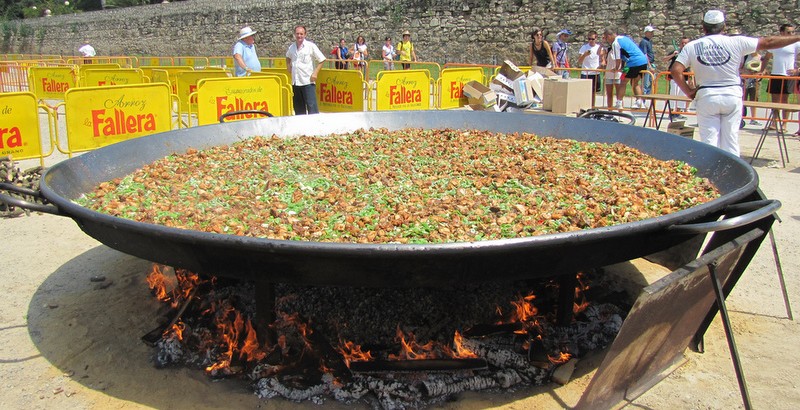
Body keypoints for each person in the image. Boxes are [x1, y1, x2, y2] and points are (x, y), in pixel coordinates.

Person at [671, 10, 800, 156]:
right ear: (724, 26)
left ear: (704, 27)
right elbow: (768, 42)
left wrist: (688, 91)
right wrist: (797, 37)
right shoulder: (736, 41)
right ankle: (734, 175)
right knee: (731, 140)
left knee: (708, 141)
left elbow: (676, 70)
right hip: (731, 93)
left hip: (707, 94)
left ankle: (709, 174)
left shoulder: (692, 46)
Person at [760, 24, 800, 133]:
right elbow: (766, 58)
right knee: (774, 100)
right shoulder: (776, 44)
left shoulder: (796, 44)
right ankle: (774, 122)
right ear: (781, 33)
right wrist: (762, 70)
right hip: (775, 74)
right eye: (788, 32)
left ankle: (784, 124)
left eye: (792, 32)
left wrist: (797, 70)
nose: (791, 34)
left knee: (784, 100)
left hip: (788, 75)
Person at [603, 28, 649, 109]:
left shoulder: (615, 43)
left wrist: (616, 68)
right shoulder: (624, 38)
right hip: (643, 62)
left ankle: (619, 102)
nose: (607, 40)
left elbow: (618, 59)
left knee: (623, 81)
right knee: (635, 82)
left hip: (633, 63)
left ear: (609, 36)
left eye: (606, 38)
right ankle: (639, 101)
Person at [286, 25, 326, 115]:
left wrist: (315, 73)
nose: (299, 36)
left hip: (308, 82)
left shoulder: (310, 46)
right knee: (299, 109)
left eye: (301, 34)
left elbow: (322, 59)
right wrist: (288, 66)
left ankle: (315, 127)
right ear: (294, 35)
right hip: (296, 82)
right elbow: (287, 57)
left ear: (305, 34)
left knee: (312, 108)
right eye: (297, 34)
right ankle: (301, 128)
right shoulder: (292, 47)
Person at [664, 36, 691, 120]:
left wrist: (691, 78)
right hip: (674, 77)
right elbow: (664, 59)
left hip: (685, 77)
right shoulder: (676, 52)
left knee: (682, 96)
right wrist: (673, 55)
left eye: (685, 43)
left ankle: (678, 112)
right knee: (673, 94)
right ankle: (671, 113)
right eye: (682, 43)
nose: (684, 44)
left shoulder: (690, 53)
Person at [741, 51, 763, 125]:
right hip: (745, 80)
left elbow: (763, 70)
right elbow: (740, 68)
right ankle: (741, 117)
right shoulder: (745, 56)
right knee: (743, 99)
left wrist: (760, 74)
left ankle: (753, 118)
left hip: (755, 81)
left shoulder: (760, 57)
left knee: (754, 99)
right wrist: (746, 72)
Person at [604, 40, 625, 110]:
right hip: (609, 74)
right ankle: (610, 112)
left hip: (618, 75)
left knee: (619, 96)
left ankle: (620, 113)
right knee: (609, 95)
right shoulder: (608, 50)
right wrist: (602, 44)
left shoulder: (621, 52)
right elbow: (599, 54)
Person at [638, 25, 657, 95]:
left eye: (652, 32)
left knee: (653, 81)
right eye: (650, 32)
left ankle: (646, 95)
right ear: (646, 33)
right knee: (645, 83)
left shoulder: (649, 41)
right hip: (646, 65)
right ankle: (642, 99)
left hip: (651, 63)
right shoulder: (644, 42)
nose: (652, 33)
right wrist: (649, 65)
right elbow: (645, 54)